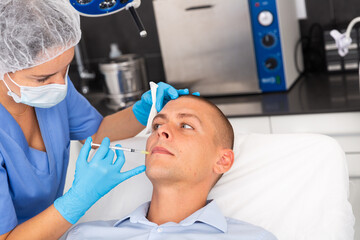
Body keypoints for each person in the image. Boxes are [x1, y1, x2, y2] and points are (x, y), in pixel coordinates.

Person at [0, 1, 195, 239]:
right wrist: (79, 199)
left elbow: (96, 132)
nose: (60, 85)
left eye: (66, 69)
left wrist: (145, 110)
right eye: (42, 79)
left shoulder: (52, 91)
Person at [65, 95, 278, 240]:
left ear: (223, 161)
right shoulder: (85, 235)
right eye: (157, 125)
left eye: (186, 126)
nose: (162, 131)